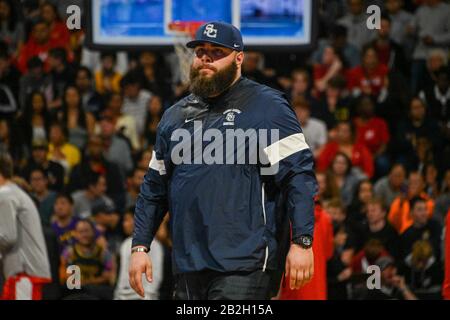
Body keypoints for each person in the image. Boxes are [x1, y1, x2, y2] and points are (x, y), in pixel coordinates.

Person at [130, 21, 317, 300]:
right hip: (188, 263)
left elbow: (298, 176)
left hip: (246, 262)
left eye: (217, 52)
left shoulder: (268, 107)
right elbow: (154, 190)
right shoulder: (174, 116)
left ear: (239, 58)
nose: (206, 57)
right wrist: (139, 246)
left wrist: (302, 241)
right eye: (200, 51)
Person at [0, 152, 51, 300]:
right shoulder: (12, 193)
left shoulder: (5, 195)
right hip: (23, 271)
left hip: (24, 270)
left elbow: (7, 237)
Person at [280, 201, 334, 300]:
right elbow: (328, 253)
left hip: (292, 287)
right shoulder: (325, 218)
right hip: (317, 288)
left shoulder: (287, 219)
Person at [114, 208, 164, 300]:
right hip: (123, 296)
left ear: (139, 219)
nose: (124, 224)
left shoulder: (154, 244)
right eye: (124, 221)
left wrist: (148, 296)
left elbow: (156, 274)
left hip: (144, 296)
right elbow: (123, 274)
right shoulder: (125, 244)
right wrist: (117, 295)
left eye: (127, 220)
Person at [60, 219, 114, 300]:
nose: (84, 235)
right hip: (74, 294)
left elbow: (108, 277)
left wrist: (85, 283)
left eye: (87, 231)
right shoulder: (68, 253)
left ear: (93, 232)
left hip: (97, 294)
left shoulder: (103, 253)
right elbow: (64, 276)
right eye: (81, 232)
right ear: (76, 234)